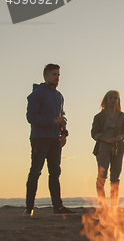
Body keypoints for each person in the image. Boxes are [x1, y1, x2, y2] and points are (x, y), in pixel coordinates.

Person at [25, 64, 76, 216]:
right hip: (40, 139)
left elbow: (62, 118)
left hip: (55, 140)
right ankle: (29, 208)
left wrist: (64, 134)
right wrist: (52, 121)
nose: (57, 77)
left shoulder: (59, 96)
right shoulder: (36, 94)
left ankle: (58, 207)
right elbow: (31, 117)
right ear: (45, 76)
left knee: (55, 173)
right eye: (54, 74)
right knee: (35, 172)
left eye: (58, 75)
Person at [91, 90, 124, 209]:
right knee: (102, 176)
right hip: (103, 148)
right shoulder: (99, 117)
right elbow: (94, 133)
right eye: (110, 98)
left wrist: (120, 136)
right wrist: (106, 140)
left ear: (118, 101)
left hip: (118, 148)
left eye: (115, 98)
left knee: (115, 177)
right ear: (106, 100)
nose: (113, 101)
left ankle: (114, 205)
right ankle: (103, 204)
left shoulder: (122, 116)